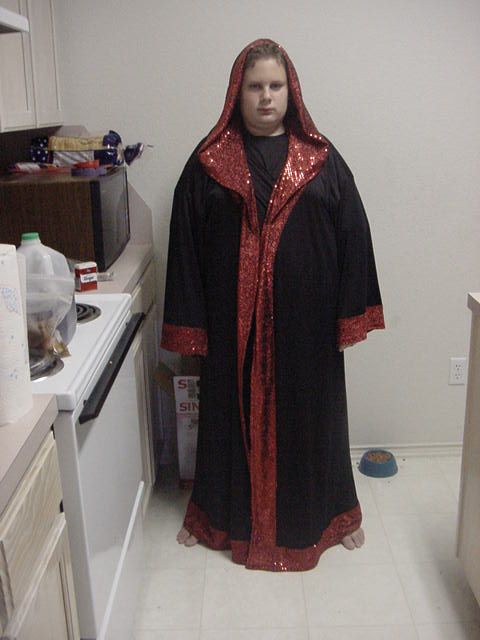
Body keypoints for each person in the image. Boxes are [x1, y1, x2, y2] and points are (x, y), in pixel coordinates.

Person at [161, 38, 385, 571]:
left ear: (292, 91)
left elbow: (354, 234)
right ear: (237, 93)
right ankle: (214, 516)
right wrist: (192, 327)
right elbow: (185, 246)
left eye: (275, 86)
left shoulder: (322, 160)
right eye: (255, 87)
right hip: (230, 327)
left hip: (307, 330)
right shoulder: (208, 162)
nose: (266, 97)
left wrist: (348, 317)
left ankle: (333, 515)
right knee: (225, 421)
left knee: (316, 420)